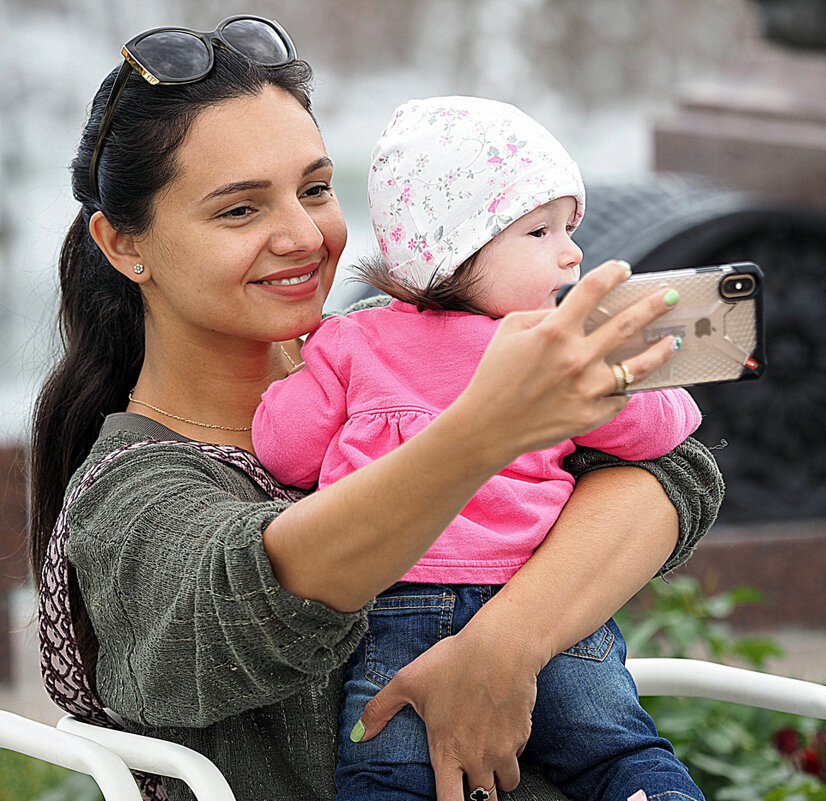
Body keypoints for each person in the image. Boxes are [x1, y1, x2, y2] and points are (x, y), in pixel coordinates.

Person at [28, 15, 724, 801]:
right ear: (125, 245)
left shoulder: (386, 346)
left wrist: (502, 646)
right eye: (239, 210)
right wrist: (486, 427)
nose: (303, 235)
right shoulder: (128, 496)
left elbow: (671, 470)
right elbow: (254, 580)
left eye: (316, 189)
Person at [252, 95, 706, 801]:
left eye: (569, 227)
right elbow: (655, 434)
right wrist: (640, 368)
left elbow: (285, 450)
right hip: (545, 608)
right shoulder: (552, 352)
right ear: (452, 250)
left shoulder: (352, 342)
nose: (571, 251)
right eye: (538, 231)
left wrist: (293, 367)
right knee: (617, 751)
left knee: (387, 771)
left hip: (399, 611)